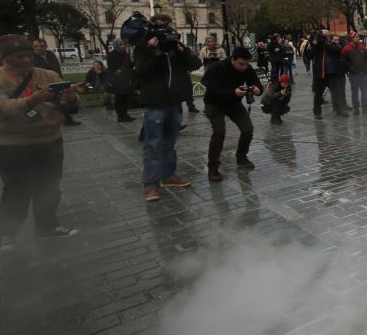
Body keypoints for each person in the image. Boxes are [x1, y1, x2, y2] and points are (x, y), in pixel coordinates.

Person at [0, 34, 81, 248]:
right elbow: (2, 107)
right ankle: (7, 233)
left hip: (48, 139)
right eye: (19, 56)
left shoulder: (47, 74)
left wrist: (71, 98)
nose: (25, 60)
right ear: (5, 57)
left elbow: (67, 104)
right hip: (11, 143)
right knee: (17, 188)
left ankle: (47, 227)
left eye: (28, 55)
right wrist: (32, 100)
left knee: (50, 186)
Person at [134, 13, 202, 202]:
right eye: (161, 28)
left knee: (169, 144)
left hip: (175, 101)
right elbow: (142, 72)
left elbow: (196, 63)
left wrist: (181, 50)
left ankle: (168, 175)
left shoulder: (174, 49)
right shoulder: (143, 49)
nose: (165, 32)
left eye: (167, 28)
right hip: (156, 102)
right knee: (153, 144)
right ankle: (150, 184)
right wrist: (153, 52)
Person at [201, 47, 263, 182]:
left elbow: (257, 84)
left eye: (247, 64)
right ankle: (213, 167)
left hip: (233, 103)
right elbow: (211, 88)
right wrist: (232, 92)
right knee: (219, 132)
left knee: (248, 129)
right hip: (214, 103)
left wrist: (258, 89)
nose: (244, 67)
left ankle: (241, 157)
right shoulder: (218, 67)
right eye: (241, 64)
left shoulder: (247, 68)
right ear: (232, 59)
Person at [31, 38, 80, 126]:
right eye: (36, 46)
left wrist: (60, 79)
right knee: (45, 103)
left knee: (61, 99)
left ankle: (68, 119)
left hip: (56, 81)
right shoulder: (31, 57)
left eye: (41, 46)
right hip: (41, 84)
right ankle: (41, 122)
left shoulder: (50, 54)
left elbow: (57, 67)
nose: (39, 48)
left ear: (45, 46)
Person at [309, 30, 348, 118]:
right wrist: (315, 45)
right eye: (324, 35)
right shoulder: (316, 45)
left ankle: (339, 109)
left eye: (326, 36)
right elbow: (309, 55)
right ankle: (317, 112)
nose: (325, 37)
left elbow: (338, 50)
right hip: (321, 74)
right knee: (318, 94)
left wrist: (325, 44)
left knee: (336, 92)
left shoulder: (330, 44)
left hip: (332, 73)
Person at [107, 39, 136, 123]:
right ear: (116, 46)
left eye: (124, 44)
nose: (123, 45)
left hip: (125, 79)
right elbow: (111, 68)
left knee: (124, 98)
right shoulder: (112, 55)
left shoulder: (126, 54)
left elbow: (129, 65)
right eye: (120, 44)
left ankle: (125, 115)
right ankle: (120, 116)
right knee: (119, 99)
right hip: (117, 80)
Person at [342, 32, 367, 114]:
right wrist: (350, 68)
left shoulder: (362, 47)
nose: (358, 38)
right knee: (355, 92)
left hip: (363, 74)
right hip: (354, 74)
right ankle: (356, 108)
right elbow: (343, 61)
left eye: (358, 37)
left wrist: (366, 68)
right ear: (351, 38)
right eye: (356, 37)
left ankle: (365, 107)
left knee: (364, 92)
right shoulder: (346, 49)